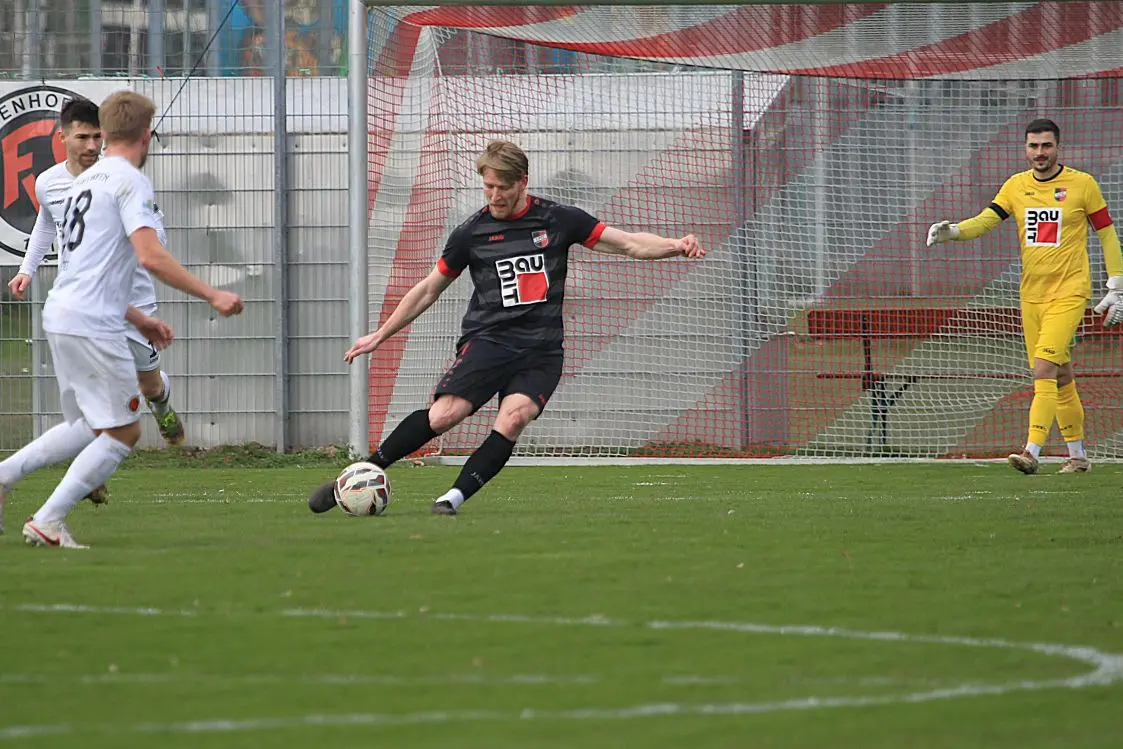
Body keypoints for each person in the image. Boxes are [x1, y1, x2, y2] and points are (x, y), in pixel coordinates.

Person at [307, 139, 705, 516]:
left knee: (514, 418)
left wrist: (676, 245)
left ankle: (450, 500)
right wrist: (381, 334)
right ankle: (362, 473)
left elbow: (629, 243)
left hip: (541, 350)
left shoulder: (558, 219)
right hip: (489, 341)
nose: (494, 195)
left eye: (502, 187)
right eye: (488, 186)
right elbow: (429, 288)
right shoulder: (470, 233)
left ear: (522, 183)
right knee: (445, 415)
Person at [7, 91, 242, 548]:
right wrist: (213, 293)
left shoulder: (84, 183)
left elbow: (93, 269)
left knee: (94, 425)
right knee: (124, 430)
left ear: (106, 134)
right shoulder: (128, 181)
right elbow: (151, 256)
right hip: (95, 321)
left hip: (68, 311)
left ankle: (6, 475)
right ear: (145, 136)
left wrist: (138, 318)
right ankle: (48, 519)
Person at [3, 99, 184, 508]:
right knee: (105, 414)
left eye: (97, 137)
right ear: (62, 137)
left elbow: (155, 240)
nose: (90, 145)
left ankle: (162, 405)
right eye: (82, 136)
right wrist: (28, 269)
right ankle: (72, 489)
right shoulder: (49, 183)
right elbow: (46, 223)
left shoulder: (121, 180)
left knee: (146, 388)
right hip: (88, 309)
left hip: (132, 303)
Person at [926, 118, 1123, 475]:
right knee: (1060, 375)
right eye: (1033, 146)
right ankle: (1078, 457)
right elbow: (986, 220)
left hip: (1070, 292)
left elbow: (1107, 233)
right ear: (1026, 149)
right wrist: (953, 231)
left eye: (1046, 145)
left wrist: (1117, 285)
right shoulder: (1016, 186)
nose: (1040, 152)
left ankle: (1031, 451)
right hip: (1031, 296)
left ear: (1058, 147)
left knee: (1043, 369)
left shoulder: (1082, 184)